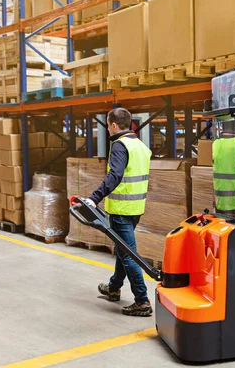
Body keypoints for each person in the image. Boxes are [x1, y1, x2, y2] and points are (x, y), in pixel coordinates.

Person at [86, 107, 153, 317]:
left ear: (114, 125)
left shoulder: (119, 146)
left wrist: (93, 198)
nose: (108, 128)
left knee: (128, 255)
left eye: (107, 125)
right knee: (123, 250)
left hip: (122, 209)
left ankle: (142, 300)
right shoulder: (140, 145)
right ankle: (114, 287)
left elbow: (114, 175)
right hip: (136, 208)